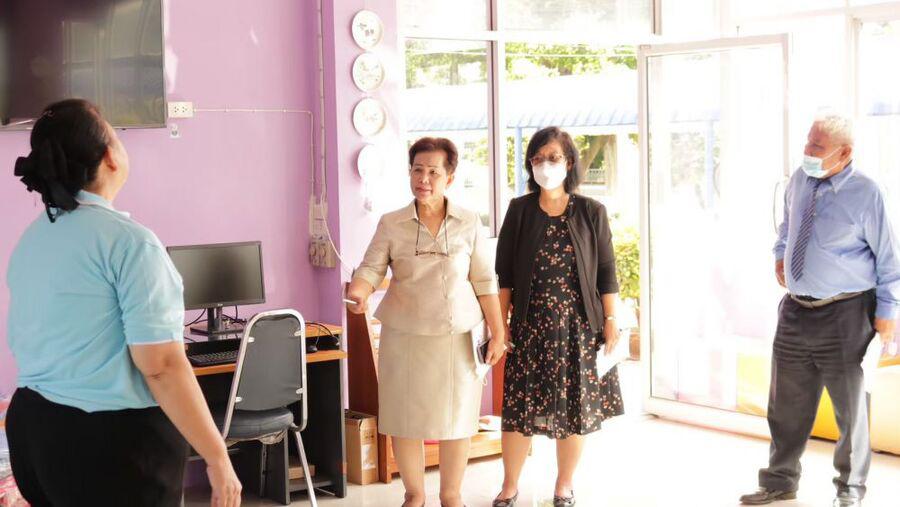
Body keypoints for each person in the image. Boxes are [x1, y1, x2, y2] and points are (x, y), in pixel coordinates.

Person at [5, 99, 241, 507]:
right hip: (110, 446)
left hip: (34, 431)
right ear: (109, 157)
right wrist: (217, 456)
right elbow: (161, 365)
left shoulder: (33, 238)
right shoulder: (130, 243)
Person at [739, 113, 900, 507]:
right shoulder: (800, 178)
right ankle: (780, 481)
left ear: (844, 153)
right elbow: (787, 226)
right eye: (808, 142)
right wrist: (781, 254)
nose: (807, 151)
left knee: (850, 411)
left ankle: (849, 490)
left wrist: (888, 311)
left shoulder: (868, 193)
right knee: (785, 405)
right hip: (794, 311)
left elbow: (889, 259)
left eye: (817, 146)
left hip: (846, 313)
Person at [345, 137, 507, 507]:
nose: (424, 179)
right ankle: (414, 495)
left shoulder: (468, 222)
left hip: (457, 336)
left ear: (450, 177)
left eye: (434, 171)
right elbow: (370, 268)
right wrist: (359, 293)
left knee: (457, 419)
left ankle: (451, 495)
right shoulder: (391, 223)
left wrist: (498, 332)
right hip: (405, 335)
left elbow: (485, 281)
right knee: (404, 419)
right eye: (418, 170)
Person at [492, 126, 624, 507]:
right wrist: (500, 327)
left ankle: (564, 485)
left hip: (578, 328)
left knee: (573, 410)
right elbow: (504, 275)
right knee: (519, 410)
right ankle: (509, 486)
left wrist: (611, 321)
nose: (545, 166)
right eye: (537, 159)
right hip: (529, 325)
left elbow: (607, 272)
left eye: (553, 158)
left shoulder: (591, 211)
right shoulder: (519, 210)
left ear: (568, 163)